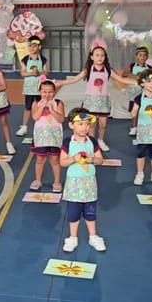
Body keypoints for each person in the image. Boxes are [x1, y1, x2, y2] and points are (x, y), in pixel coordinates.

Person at [57, 45, 132, 151]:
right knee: (91, 124)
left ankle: (101, 140)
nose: (100, 57)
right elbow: (74, 79)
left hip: (103, 102)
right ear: (92, 57)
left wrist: (138, 82)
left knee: (103, 125)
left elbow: (122, 79)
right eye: (97, 55)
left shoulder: (108, 69)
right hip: (91, 102)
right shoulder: (88, 69)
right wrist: (60, 82)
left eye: (102, 55)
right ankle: (91, 142)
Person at [60, 108, 106, 252]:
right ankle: (72, 238)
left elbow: (101, 159)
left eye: (87, 124)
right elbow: (62, 162)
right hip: (74, 185)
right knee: (73, 213)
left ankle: (93, 236)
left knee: (90, 212)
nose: (84, 127)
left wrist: (93, 159)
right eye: (80, 124)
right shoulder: (67, 142)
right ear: (71, 125)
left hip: (89, 184)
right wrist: (73, 159)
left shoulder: (92, 141)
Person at [30, 80, 65, 192]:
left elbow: (61, 119)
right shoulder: (36, 103)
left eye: (50, 92)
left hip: (54, 136)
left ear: (54, 92)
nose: (47, 94)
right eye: (44, 92)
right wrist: (42, 107)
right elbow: (35, 117)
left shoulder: (58, 103)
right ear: (40, 92)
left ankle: (57, 182)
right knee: (40, 159)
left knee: (55, 160)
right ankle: (38, 180)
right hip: (41, 137)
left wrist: (52, 109)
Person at [16, 35, 48, 137]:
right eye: (30, 46)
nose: (32, 48)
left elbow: (46, 72)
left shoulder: (43, 59)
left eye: (34, 46)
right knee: (27, 107)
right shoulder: (25, 59)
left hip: (39, 88)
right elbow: (22, 73)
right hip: (29, 89)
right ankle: (24, 127)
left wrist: (39, 72)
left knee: (40, 106)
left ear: (39, 47)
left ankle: (41, 126)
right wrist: (31, 73)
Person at [123, 46, 152, 136]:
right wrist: (133, 76)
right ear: (136, 56)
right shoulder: (131, 66)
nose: (142, 57)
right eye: (140, 55)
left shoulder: (149, 68)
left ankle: (146, 127)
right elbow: (124, 74)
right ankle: (134, 128)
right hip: (134, 93)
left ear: (147, 57)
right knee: (134, 111)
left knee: (146, 110)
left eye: (144, 55)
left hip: (145, 93)